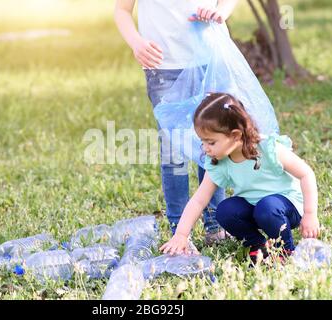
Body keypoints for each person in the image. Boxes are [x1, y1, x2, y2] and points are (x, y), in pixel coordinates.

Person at [114, 0, 240, 248]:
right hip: (163, 68)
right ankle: (179, 232)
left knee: (214, 146)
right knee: (174, 155)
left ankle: (215, 226)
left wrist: (220, 12)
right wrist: (136, 43)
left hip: (209, 58)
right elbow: (122, 10)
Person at [160, 93, 320, 265]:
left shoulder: (268, 148)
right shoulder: (219, 162)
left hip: (286, 207)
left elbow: (306, 174)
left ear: (236, 135)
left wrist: (310, 214)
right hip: (256, 208)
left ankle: (285, 249)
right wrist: (181, 234)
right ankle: (257, 245)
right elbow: (199, 200)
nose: (205, 149)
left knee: (267, 207)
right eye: (203, 142)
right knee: (225, 210)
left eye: (211, 142)